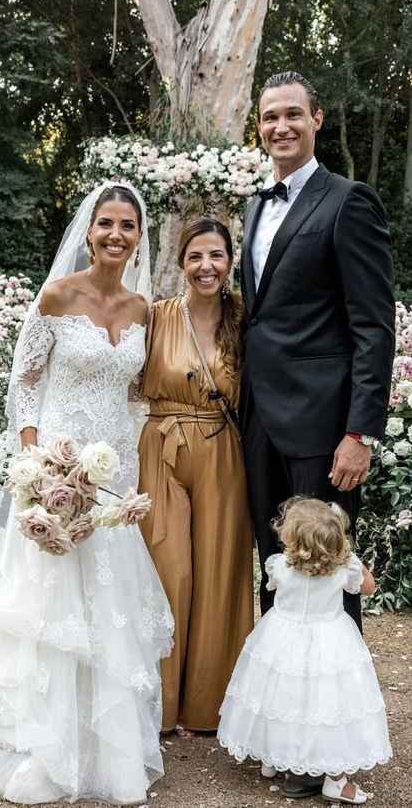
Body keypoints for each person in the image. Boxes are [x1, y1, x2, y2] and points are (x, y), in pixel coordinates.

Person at [0, 182, 174, 806]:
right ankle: (38, 746)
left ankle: (103, 750)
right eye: (106, 223)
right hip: (57, 472)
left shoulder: (143, 310)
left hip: (112, 477)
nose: (116, 234)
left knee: (106, 605)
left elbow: (136, 395)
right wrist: (36, 463)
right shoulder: (57, 296)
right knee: (48, 608)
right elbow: (25, 384)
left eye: (128, 226)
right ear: (88, 232)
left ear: (140, 237)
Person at [240, 70, 394, 799]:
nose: (281, 127)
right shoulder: (252, 207)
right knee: (276, 579)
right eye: (270, 117)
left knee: (325, 582)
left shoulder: (347, 202)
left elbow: (373, 324)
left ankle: (329, 748)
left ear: (318, 120)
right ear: (259, 125)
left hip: (324, 424)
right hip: (260, 423)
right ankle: (281, 736)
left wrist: (360, 429)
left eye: (292, 115)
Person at [138, 217, 254, 735]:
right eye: (195, 257)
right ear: (181, 263)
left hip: (223, 450)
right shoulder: (156, 316)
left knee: (217, 571)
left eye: (216, 256)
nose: (206, 267)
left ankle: (207, 706)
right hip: (161, 447)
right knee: (169, 572)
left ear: (230, 262)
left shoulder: (246, 320)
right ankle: (159, 707)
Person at [218, 497, 392, 804]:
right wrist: (352, 560)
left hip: (281, 640)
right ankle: (335, 780)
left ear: (291, 538)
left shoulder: (279, 567)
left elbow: (274, 585)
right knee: (327, 705)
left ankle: (273, 757)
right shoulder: (344, 569)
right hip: (331, 642)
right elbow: (369, 587)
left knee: (279, 696)